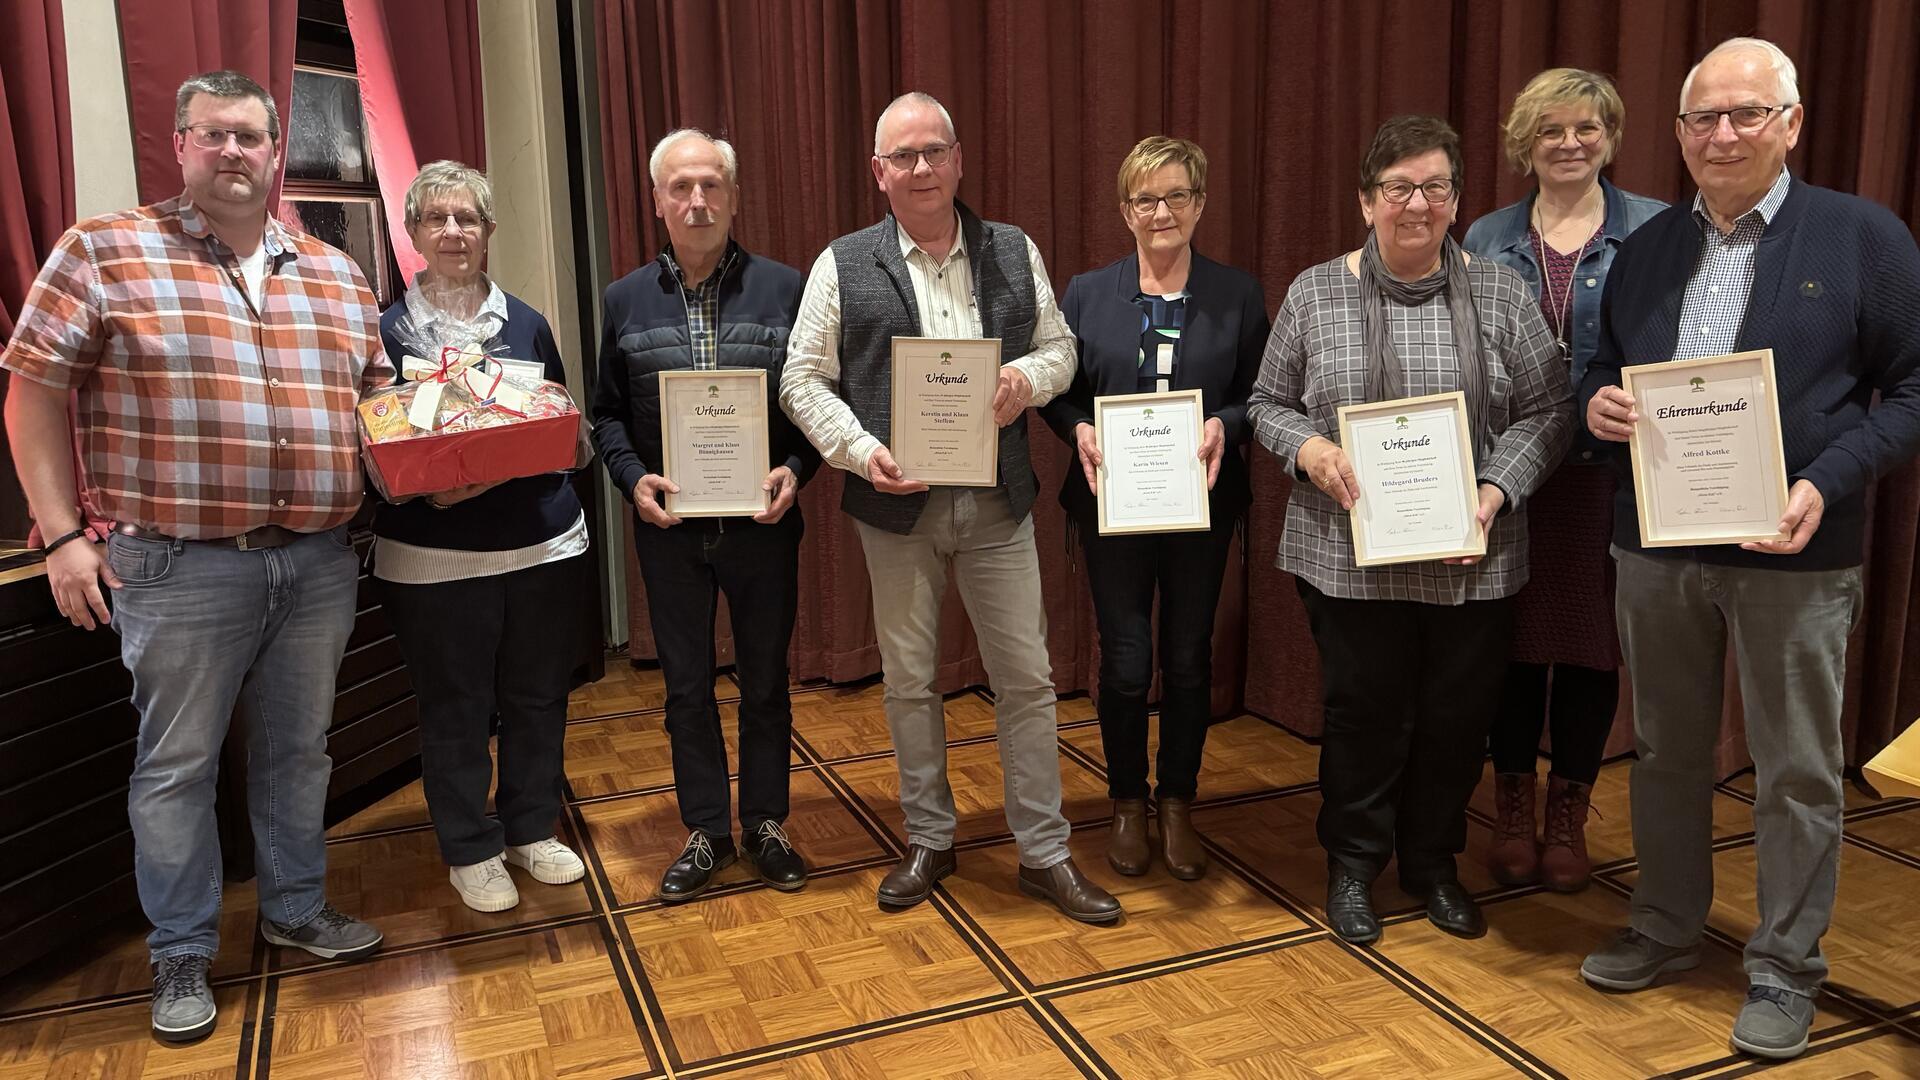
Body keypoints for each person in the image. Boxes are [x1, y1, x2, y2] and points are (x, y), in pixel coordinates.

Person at [1, 70, 387, 1043]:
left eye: (250, 137)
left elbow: (381, 409)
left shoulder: (334, 271)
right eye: (211, 135)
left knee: (300, 754)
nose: (232, 153)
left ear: (272, 151)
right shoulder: (105, 252)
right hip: (176, 567)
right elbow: (33, 394)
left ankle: (296, 909)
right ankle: (180, 951)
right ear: (178, 144)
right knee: (176, 767)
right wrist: (58, 536)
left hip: (317, 563)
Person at [1578, 38, 1920, 1060]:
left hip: (1798, 550)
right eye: (1701, 119)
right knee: (1666, 753)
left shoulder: (1864, 238)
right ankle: (1668, 925)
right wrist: (1596, 404)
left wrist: (1827, 480)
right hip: (1656, 547)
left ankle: (1783, 968)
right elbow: (1606, 369)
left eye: (1745, 114)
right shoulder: (1644, 249)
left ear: (1792, 124)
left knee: (1797, 770)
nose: (1721, 135)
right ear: (1678, 134)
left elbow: (1912, 388)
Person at [781, 92, 1121, 924]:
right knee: (907, 683)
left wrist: (1025, 381)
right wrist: (864, 454)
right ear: (878, 173)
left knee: (1029, 683)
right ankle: (929, 838)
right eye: (905, 157)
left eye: (936, 151)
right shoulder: (841, 262)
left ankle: (1044, 853)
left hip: (999, 505)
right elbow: (801, 377)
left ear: (960, 159)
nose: (923, 168)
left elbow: (1060, 349)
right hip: (892, 509)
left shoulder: (1012, 250)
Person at [1248, 115, 1571, 945]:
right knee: (1364, 716)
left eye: (1434, 187)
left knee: (1456, 720)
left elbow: (1549, 410)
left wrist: (1499, 484)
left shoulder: (1501, 293)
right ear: (1366, 200)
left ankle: (1432, 864)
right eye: (1397, 188)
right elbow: (1265, 406)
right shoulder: (1315, 292)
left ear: (1458, 199)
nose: (1416, 204)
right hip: (1349, 560)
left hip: (1473, 557)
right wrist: (1311, 448)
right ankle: (1353, 866)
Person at [591, 129, 817, 902]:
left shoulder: (787, 288)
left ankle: (764, 824)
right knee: (686, 687)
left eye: (711, 186)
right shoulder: (623, 299)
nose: (697, 201)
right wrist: (631, 481)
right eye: (681, 187)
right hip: (672, 533)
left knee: (764, 684)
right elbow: (607, 416)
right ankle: (706, 832)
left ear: (733, 195)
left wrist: (796, 469)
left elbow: (817, 402)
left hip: (763, 526)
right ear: (657, 201)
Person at [1041, 136, 1267, 881]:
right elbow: (1062, 390)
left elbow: (1258, 397)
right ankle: (1127, 802)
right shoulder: (1084, 291)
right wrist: (1076, 427)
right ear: (1124, 211)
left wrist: (1223, 428)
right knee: (1128, 659)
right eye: (1146, 199)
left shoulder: (1236, 294)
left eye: (1176, 197)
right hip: (1112, 505)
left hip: (1203, 504)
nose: (1161, 211)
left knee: (1188, 659)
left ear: (1200, 205)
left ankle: (1178, 800)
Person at [1462, 69, 1665, 891]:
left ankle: (1566, 817)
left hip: (1609, 481)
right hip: (1509, 477)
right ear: (1525, 142)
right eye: (1552, 130)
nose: (1570, 143)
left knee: (1589, 653)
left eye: (1586, 128)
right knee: (1508, 647)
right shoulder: (1483, 235)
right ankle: (1511, 801)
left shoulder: (1656, 229)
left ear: (1610, 135)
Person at [370, 161, 590, 913]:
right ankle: (470, 846)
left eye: (468, 219)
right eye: (438, 219)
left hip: (541, 546)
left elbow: (567, 430)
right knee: (454, 705)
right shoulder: (383, 335)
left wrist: (518, 450)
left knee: (536, 697)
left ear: (490, 232)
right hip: (432, 561)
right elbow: (370, 443)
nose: (454, 232)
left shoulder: (527, 323)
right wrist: (425, 476)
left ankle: (531, 826)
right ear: (414, 233)